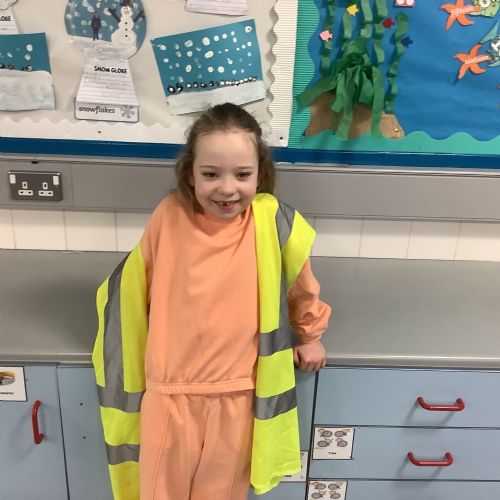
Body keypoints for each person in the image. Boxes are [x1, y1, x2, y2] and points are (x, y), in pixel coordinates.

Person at [92, 103, 331, 500]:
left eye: (242, 174)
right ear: (190, 173)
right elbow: (131, 289)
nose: (226, 188)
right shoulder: (169, 216)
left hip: (237, 394)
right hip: (169, 393)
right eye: (210, 174)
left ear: (260, 174)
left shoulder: (272, 222)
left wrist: (311, 335)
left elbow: (300, 285)